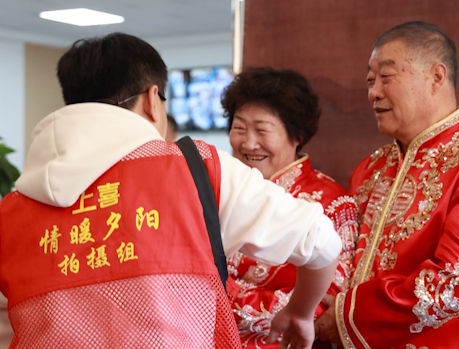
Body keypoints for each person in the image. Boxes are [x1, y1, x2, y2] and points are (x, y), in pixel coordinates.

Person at [0, 33, 342, 349]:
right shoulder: (198, 170)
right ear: (152, 100)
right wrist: (299, 311)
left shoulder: (12, 209)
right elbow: (321, 241)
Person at [314, 21, 459, 348]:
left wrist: (345, 316)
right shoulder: (369, 170)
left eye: (386, 77)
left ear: (436, 76)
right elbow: (342, 264)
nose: (373, 92)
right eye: (370, 81)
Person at [222, 67, 359, 349]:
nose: (248, 143)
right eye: (239, 128)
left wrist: (222, 300)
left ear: (297, 135)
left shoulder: (332, 202)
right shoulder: (223, 191)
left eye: (262, 130)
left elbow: (325, 299)